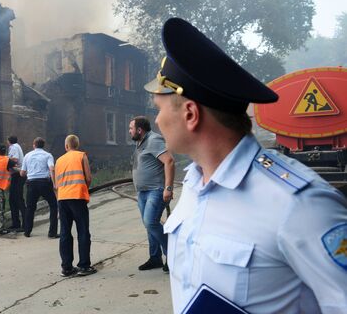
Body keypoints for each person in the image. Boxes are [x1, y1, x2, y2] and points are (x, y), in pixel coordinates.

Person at [144, 17, 347, 313]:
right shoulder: (192, 185)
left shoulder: (299, 205)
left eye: (159, 110)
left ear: (190, 114)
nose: (158, 121)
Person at [129, 115, 175, 272]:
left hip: (156, 190)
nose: (129, 131)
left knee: (150, 222)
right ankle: (155, 258)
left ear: (139, 130)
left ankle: (174, 254)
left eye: (131, 128)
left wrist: (168, 188)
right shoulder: (140, 143)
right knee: (149, 226)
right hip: (143, 192)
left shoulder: (153, 140)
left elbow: (169, 161)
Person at [54, 134, 97, 277]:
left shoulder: (59, 160)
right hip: (77, 197)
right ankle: (84, 266)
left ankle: (66, 268)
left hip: (62, 198)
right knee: (83, 231)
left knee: (65, 233)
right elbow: (88, 178)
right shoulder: (81, 156)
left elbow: (56, 185)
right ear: (76, 145)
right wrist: (85, 189)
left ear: (66, 146)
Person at [20, 137, 58, 238]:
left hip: (31, 184)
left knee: (30, 207)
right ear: (43, 145)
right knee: (53, 205)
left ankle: (27, 231)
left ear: (34, 145)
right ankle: (52, 232)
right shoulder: (48, 155)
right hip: (45, 183)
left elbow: (22, 173)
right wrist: (54, 184)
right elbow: (52, 169)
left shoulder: (27, 155)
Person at [7, 135, 26, 232]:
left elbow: (15, 160)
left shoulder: (13, 147)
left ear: (8, 141)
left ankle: (25, 224)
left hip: (18, 175)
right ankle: (16, 223)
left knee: (18, 199)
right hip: (16, 175)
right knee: (12, 199)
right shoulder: (16, 146)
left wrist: (4, 159)